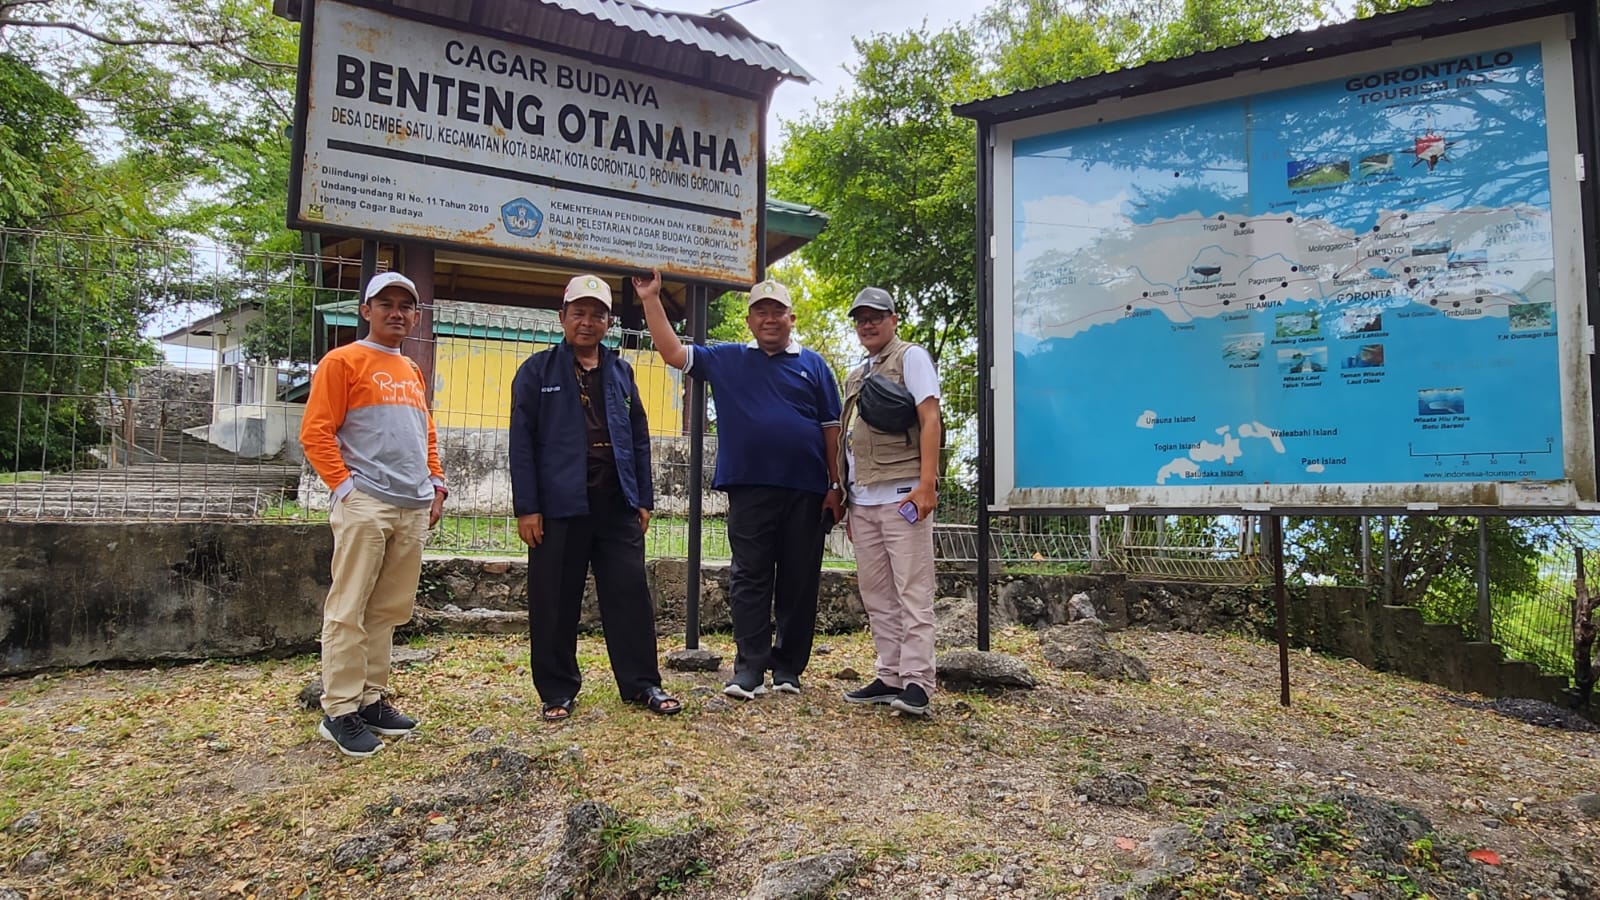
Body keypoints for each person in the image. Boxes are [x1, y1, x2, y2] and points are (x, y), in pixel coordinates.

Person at [635, 271, 843, 700]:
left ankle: (788, 669)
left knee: (799, 580)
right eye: (760, 312)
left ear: (792, 317)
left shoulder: (815, 365)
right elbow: (673, 353)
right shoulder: (728, 358)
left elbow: (831, 429)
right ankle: (749, 668)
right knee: (750, 576)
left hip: (806, 489)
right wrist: (651, 299)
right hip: (749, 487)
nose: (769, 319)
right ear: (749, 321)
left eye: (777, 312)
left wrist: (836, 484)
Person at [509, 274, 680, 723]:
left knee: (629, 596)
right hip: (558, 507)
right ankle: (557, 689)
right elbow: (521, 445)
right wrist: (527, 507)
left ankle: (643, 682)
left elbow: (638, 437)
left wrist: (643, 497)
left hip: (616, 504)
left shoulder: (621, 371)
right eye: (578, 313)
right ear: (562, 317)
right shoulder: (536, 372)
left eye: (597, 314)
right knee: (554, 601)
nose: (587, 322)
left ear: (609, 322)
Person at [299, 271, 446, 758]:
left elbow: (424, 433)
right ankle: (339, 709)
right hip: (367, 503)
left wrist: (436, 484)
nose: (397, 312)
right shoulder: (342, 362)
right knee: (349, 607)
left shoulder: (412, 370)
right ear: (366, 310)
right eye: (386, 303)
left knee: (387, 609)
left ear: (416, 316)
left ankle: (371, 698)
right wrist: (346, 489)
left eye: (406, 305)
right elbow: (316, 432)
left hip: (411, 504)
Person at [837, 287, 942, 717]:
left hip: (903, 493)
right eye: (861, 318)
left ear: (893, 319)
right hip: (863, 499)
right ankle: (890, 674)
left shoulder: (911, 358)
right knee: (877, 592)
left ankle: (918, 681)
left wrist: (927, 483)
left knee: (912, 591)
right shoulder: (856, 374)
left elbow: (930, 415)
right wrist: (846, 496)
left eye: (876, 316)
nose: (868, 324)